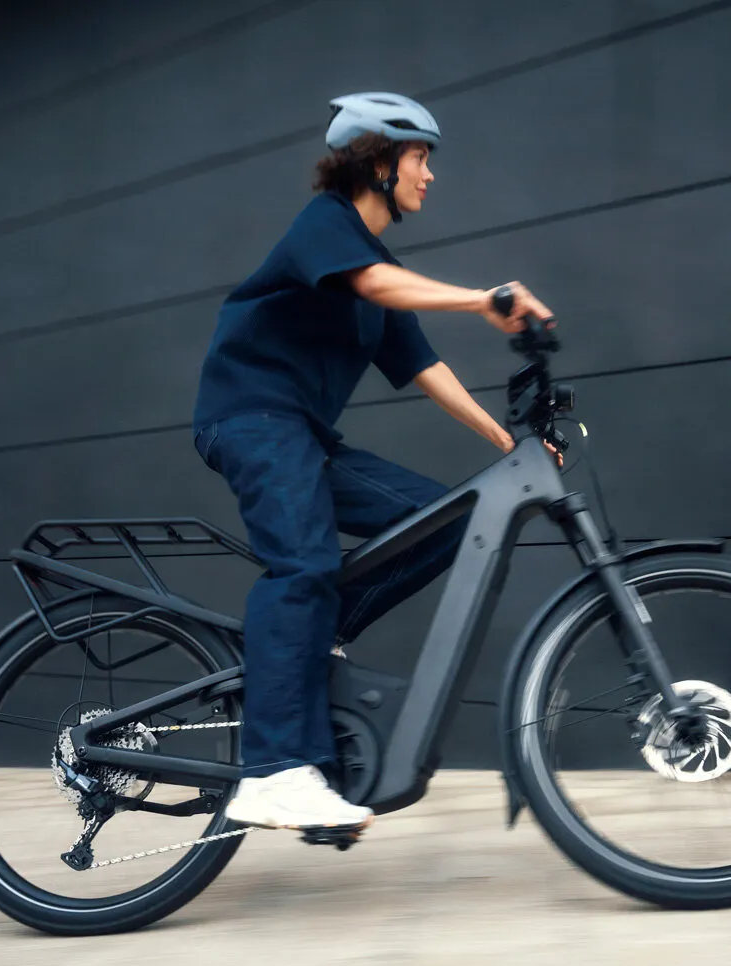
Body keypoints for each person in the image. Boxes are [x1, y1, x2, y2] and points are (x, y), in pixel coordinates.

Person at [190, 92, 555, 833]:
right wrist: (482, 300)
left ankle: (313, 639)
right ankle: (271, 772)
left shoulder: (377, 269)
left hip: (302, 436)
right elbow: (373, 284)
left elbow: (425, 367)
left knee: (449, 522)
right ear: (377, 161)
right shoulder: (326, 227)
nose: (430, 175)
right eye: (420, 157)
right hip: (252, 419)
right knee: (303, 564)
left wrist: (505, 442)